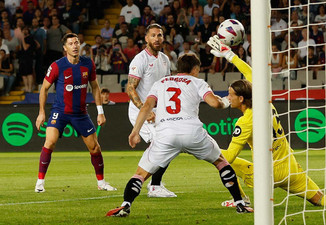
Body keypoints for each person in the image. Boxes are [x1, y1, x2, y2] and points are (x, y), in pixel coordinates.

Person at [207, 35, 326, 208]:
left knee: (223, 160)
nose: (227, 97)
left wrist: (203, 149)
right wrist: (230, 55)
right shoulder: (264, 100)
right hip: (290, 166)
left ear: (241, 99)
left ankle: (241, 200)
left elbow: (229, 156)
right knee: (319, 199)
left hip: (267, 174)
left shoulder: (245, 121)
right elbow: (251, 74)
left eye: (230, 94)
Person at [106, 54, 254, 217]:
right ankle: (240, 203)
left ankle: (125, 205)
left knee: (140, 174)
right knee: (221, 162)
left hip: (166, 134)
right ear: (195, 69)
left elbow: (147, 106)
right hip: (192, 133)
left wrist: (135, 131)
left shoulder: (160, 83)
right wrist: (225, 101)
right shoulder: (198, 82)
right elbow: (214, 103)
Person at [34, 33, 116, 193]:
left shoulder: (88, 64)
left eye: (77, 42)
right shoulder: (57, 66)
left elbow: (95, 87)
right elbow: (44, 88)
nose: (75, 46)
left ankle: (102, 183)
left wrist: (100, 112)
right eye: (71, 43)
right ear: (65, 48)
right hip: (60, 111)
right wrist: (41, 112)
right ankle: (40, 182)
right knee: (49, 142)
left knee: (95, 147)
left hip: (80, 113)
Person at [126, 23, 176, 198]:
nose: (157, 38)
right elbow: (130, 89)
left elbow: (167, 85)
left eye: (160, 35)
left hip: (158, 111)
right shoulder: (140, 60)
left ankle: (156, 183)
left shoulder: (164, 59)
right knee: (162, 142)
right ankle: (154, 186)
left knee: (169, 142)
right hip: (140, 111)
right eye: (153, 35)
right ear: (146, 38)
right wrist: (145, 111)